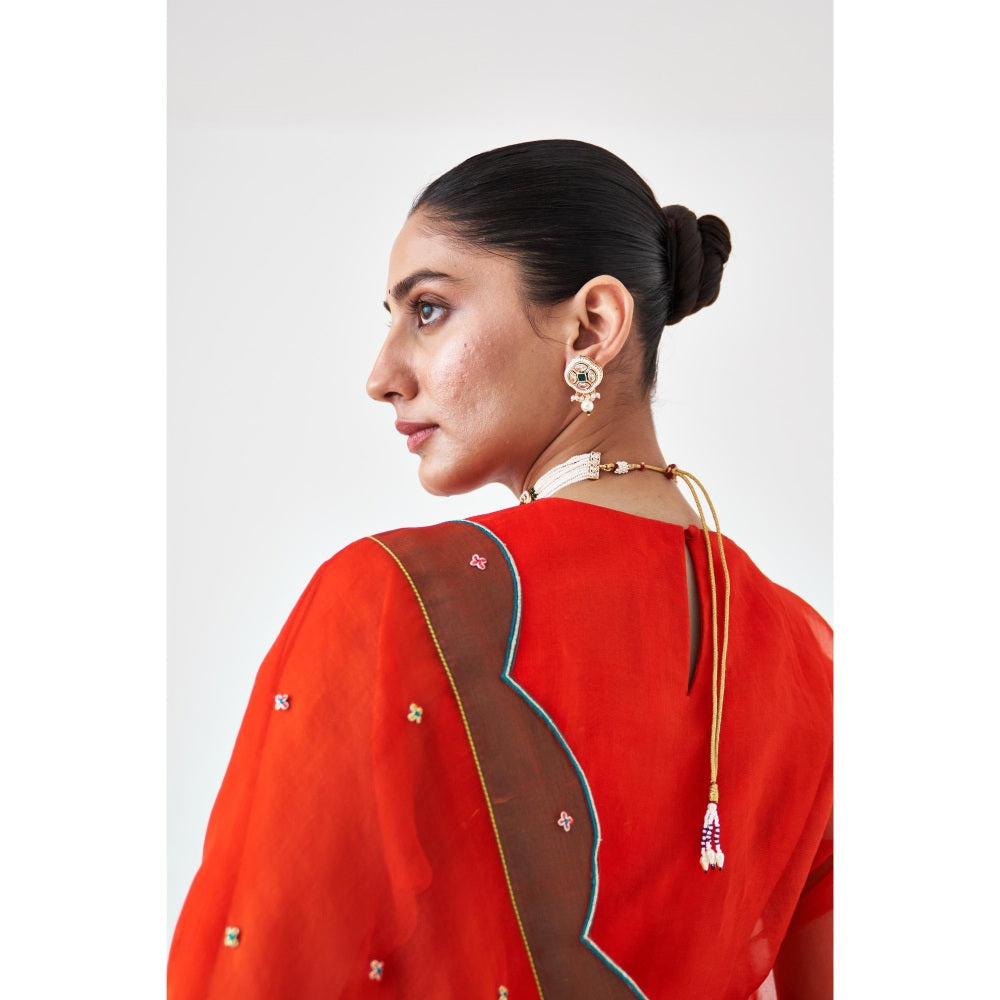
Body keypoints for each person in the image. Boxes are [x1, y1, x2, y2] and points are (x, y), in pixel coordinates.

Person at [168, 139, 832, 1000]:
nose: (381, 375)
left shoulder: (396, 596)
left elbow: (261, 974)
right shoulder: (807, 662)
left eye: (428, 310)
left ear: (593, 325)